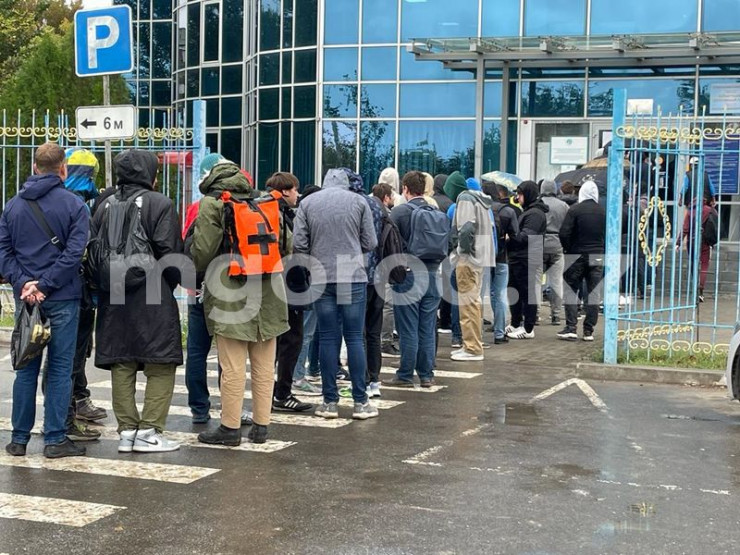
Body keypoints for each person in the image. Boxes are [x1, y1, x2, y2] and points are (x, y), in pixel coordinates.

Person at [0, 142, 89, 458]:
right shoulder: (75, 206)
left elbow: (4, 252)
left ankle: (19, 439)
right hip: (63, 296)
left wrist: (25, 283)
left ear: (35, 167)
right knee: (61, 368)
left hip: (27, 300)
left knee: (25, 367)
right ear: (63, 168)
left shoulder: (13, 206)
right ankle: (54, 439)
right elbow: (74, 254)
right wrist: (47, 285)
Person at [192, 158, 289, 445]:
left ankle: (230, 428)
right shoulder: (264, 201)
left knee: (233, 366)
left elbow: (203, 253)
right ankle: (261, 426)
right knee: (264, 364)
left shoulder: (213, 203)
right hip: (269, 291)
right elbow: (287, 244)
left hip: (230, 293)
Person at [92, 150, 183, 453]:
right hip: (152, 290)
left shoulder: (104, 203)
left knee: (122, 360)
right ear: (148, 173)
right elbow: (170, 254)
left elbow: (93, 249)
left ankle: (127, 431)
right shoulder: (159, 203)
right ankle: (149, 431)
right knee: (161, 362)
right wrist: (171, 283)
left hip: (113, 291)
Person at [293, 169, 378, 420]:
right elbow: (370, 242)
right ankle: (360, 402)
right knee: (354, 338)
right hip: (351, 273)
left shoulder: (307, 203)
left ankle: (329, 402)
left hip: (321, 274)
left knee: (328, 337)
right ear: (346, 183)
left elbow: (299, 243)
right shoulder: (358, 202)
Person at [382, 171, 444, 385]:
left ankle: (405, 374)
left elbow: (387, 242)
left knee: (408, 327)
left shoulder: (399, 212)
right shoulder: (435, 211)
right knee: (427, 328)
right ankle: (426, 375)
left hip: (409, 275)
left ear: (405, 189)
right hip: (433, 275)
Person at [268, 172, 316, 413]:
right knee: (292, 339)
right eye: (295, 189)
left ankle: (269, 392)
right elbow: (289, 249)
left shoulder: (265, 209)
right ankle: (282, 393)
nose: (297, 194)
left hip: (270, 283)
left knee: (274, 341)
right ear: (285, 190)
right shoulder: (279, 213)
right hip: (288, 282)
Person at [182, 153, 224, 424]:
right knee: (228, 351)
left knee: (197, 350)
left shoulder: (196, 207)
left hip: (197, 287)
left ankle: (199, 408)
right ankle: (230, 406)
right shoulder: (231, 205)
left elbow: (185, 243)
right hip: (228, 287)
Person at [450, 178, 495, 361]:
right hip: (480, 258)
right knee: (473, 303)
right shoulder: (481, 201)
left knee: (467, 305)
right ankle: (472, 345)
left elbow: (466, 228)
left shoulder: (465, 199)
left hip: (468, 259)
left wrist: (461, 252)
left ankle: (472, 348)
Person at [558, 181, 607, 342]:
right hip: (597, 255)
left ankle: (571, 327)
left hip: (576, 254)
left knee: (571, 290)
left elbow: (564, 233)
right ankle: (588, 330)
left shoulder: (575, 210)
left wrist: (568, 249)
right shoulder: (603, 211)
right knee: (593, 293)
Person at [506, 181, 548, 340]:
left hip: (527, 258)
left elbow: (526, 237)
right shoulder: (529, 212)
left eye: (520, 194)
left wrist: (510, 235)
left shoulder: (535, 214)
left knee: (527, 293)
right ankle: (515, 323)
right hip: (519, 258)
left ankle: (528, 328)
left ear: (528, 194)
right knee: (514, 291)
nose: (517, 197)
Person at [483, 182, 519, 345]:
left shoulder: (482, 209)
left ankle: (477, 335)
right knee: (500, 293)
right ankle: (499, 332)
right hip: (502, 256)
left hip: (484, 257)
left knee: (484, 294)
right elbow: (516, 236)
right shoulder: (508, 211)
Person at [677, 187, 718, 304]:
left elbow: (685, 229)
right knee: (704, 264)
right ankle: (701, 291)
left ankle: (695, 288)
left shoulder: (691, 211)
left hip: (693, 241)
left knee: (693, 264)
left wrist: (678, 243)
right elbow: (716, 226)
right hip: (706, 241)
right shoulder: (711, 210)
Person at [539, 179, 569, 326]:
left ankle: (535, 314)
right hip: (558, 245)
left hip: (540, 244)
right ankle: (556, 315)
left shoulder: (538, 204)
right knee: (556, 282)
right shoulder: (564, 206)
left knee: (536, 281)